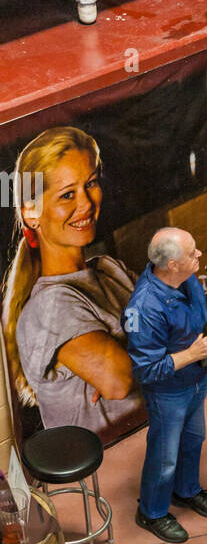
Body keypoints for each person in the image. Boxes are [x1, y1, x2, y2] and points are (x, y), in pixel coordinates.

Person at [2, 126, 141, 436]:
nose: (86, 204)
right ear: (32, 214)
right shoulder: (48, 306)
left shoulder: (109, 270)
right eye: (67, 194)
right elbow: (119, 382)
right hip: (115, 476)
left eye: (90, 184)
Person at [125, 228, 207, 543]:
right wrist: (193, 353)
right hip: (168, 392)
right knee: (164, 456)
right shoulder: (142, 309)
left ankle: (187, 490)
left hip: (196, 380)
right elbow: (146, 370)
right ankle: (151, 512)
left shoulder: (187, 279)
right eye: (192, 253)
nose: (200, 256)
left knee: (195, 439)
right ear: (170, 265)